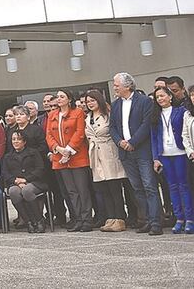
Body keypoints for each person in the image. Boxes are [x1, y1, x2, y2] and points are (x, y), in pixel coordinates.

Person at [109, 72, 162, 234]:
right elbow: (112, 127)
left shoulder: (145, 101)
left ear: (128, 86)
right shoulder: (116, 104)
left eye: (117, 85)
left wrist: (132, 142)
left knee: (150, 187)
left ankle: (155, 223)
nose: (114, 88)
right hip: (125, 153)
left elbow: (147, 125)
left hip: (142, 151)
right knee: (137, 188)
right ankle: (144, 220)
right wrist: (120, 142)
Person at [46, 89, 94, 232]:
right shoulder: (52, 115)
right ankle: (77, 218)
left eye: (62, 97)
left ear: (69, 99)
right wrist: (58, 149)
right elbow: (49, 135)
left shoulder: (78, 113)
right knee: (71, 191)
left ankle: (87, 220)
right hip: (60, 157)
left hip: (77, 156)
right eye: (58, 97)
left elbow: (80, 133)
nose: (59, 99)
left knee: (82, 189)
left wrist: (68, 149)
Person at [83, 89, 128, 233]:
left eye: (92, 100)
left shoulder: (108, 114)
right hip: (95, 153)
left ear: (99, 100)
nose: (90, 103)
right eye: (87, 101)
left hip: (109, 151)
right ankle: (111, 218)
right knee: (103, 189)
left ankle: (120, 218)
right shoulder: (88, 117)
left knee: (114, 186)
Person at [151, 85, 194, 234]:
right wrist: (156, 158)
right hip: (165, 155)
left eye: (162, 95)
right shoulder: (155, 116)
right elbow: (154, 138)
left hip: (181, 153)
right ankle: (179, 219)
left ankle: (190, 219)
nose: (160, 99)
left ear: (170, 96)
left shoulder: (181, 111)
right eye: (157, 97)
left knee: (184, 186)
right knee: (172, 187)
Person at [2, 130, 48, 234]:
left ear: (24, 141)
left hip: (35, 182)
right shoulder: (8, 156)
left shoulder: (33, 153)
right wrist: (16, 181)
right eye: (13, 139)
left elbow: (40, 169)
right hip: (16, 183)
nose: (16, 142)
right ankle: (29, 222)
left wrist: (26, 179)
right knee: (13, 192)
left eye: (18, 139)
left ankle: (39, 220)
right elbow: (5, 173)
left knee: (27, 191)